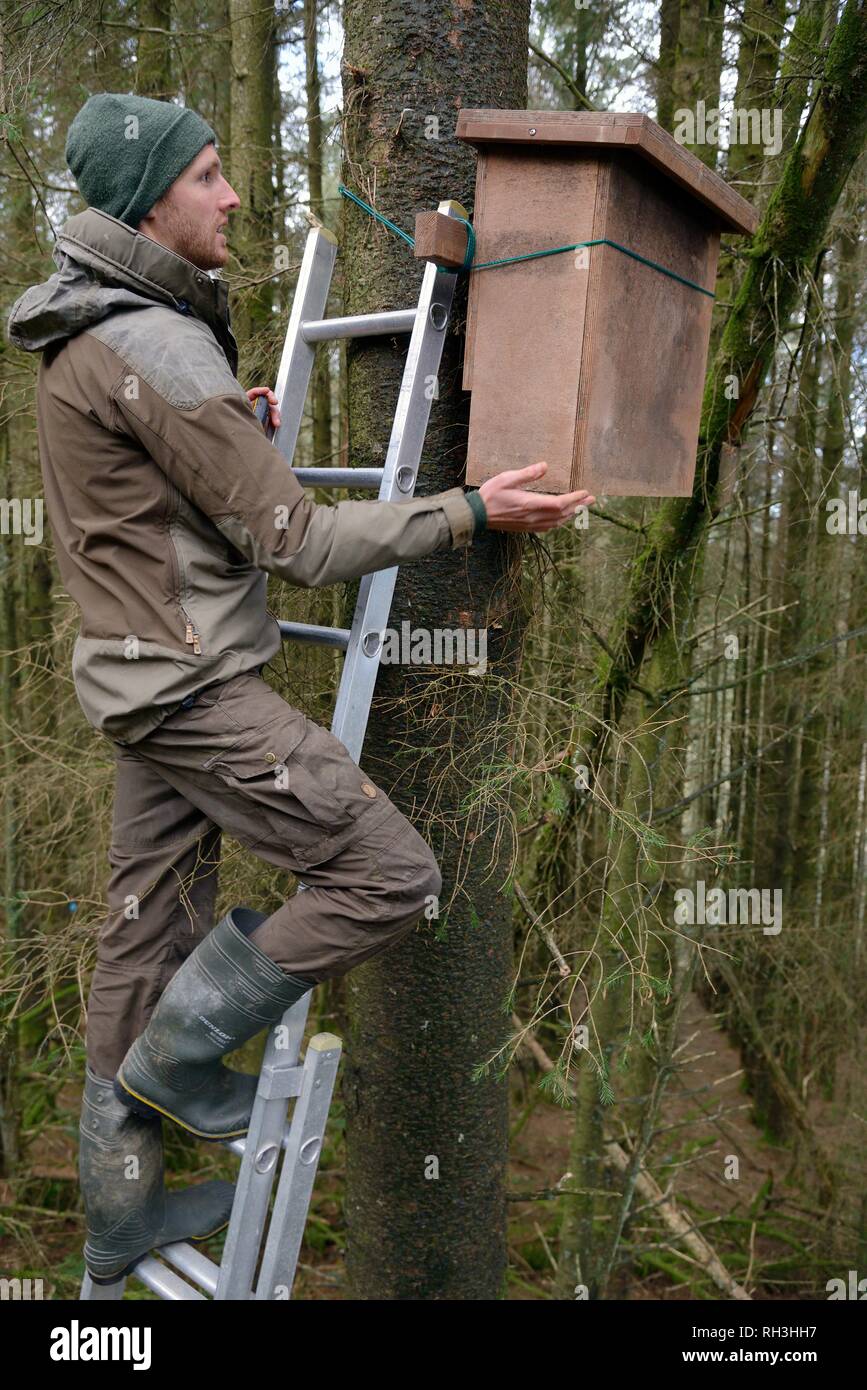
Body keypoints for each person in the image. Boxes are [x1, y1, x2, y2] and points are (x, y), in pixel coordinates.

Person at [6, 92, 595, 1284]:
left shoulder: (84, 333)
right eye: (210, 174)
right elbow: (302, 543)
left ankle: (119, 1216)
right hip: (198, 691)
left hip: (130, 687)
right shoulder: (161, 347)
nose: (233, 195)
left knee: (134, 943)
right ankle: (182, 1059)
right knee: (392, 873)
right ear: (148, 200)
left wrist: (230, 432)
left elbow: (152, 486)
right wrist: (469, 509)